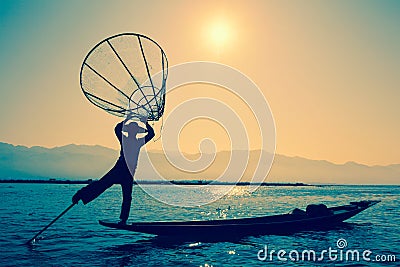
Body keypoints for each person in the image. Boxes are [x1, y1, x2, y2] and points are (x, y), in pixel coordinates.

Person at [72, 116, 155, 224]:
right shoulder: (126, 139)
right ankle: (80, 195)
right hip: (119, 170)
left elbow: (151, 134)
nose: (132, 132)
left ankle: (123, 219)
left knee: (126, 196)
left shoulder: (137, 141)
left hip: (127, 172)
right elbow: (117, 128)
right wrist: (132, 119)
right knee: (101, 185)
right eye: (131, 130)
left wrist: (142, 122)